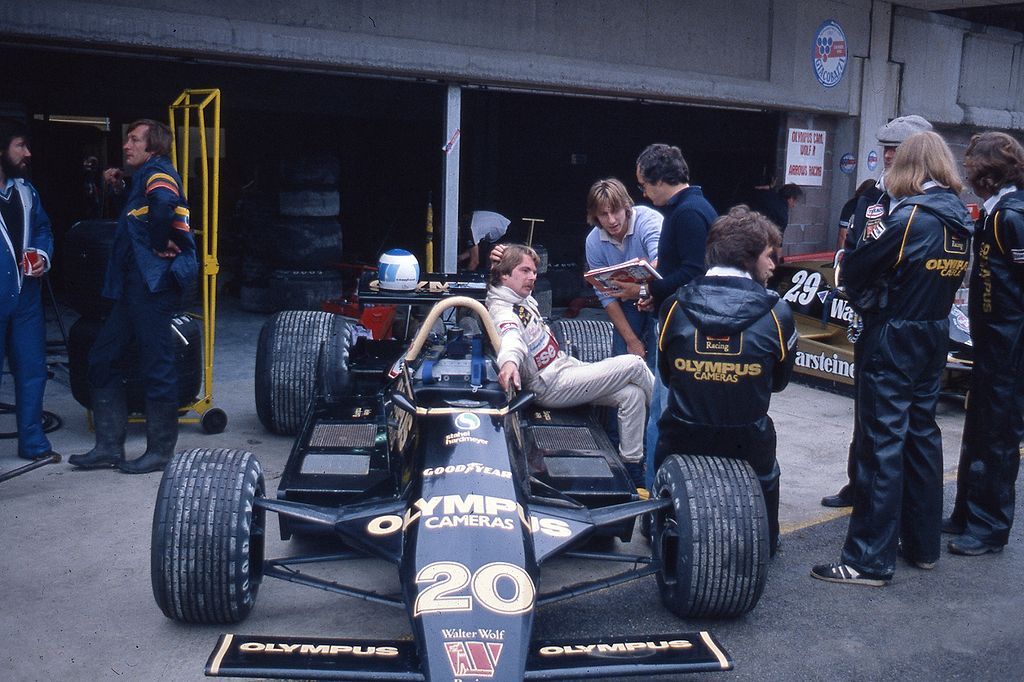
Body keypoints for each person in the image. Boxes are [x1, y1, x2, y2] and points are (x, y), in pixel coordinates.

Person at [812, 131, 972, 586]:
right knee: (922, 435)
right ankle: (922, 547)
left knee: (882, 443)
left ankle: (867, 560)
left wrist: (859, 279)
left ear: (910, 166)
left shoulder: (912, 218)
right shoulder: (960, 218)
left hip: (895, 332)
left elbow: (857, 267)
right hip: (934, 331)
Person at [655, 206, 796, 555]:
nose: (773, 265)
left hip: (684, 435)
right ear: (748, 258)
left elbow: (668, 375)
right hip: (747, 438)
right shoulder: (777, 312)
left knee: (665, 439)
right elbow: (779, 383)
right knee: (767, 468)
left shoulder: (673, 305)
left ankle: (658, 527)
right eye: (768, 255)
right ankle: (767, 542)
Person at [69, 119, 197, 474]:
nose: (126, 146)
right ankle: (109, 447)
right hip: (134, 287)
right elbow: (143, 207)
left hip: (153, 287)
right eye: (127, 139)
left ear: (153, 147)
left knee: (157, 365)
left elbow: (163, 203)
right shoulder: (144, 176)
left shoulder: (160, 173)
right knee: (102, 357)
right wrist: (120, 185)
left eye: (134, 140)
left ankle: (159, 452)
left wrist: (160, 242)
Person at [821, 113, 934, 508]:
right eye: (885, 148)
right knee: (866, 411)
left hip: (903, 319)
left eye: (895, 150)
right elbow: (854, 247)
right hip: (870, 314)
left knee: (901, 422)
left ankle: (888, 500)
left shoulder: (921, 205)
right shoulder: (873, 196)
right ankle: (859, 483)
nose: (887, 157)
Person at [486, 244, 654, 488]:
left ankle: (632, 468)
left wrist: (503, 254)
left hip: (564, 367)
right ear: (505, 275)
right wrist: (510, 363)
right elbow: (510, 337)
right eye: (525, 271)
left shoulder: (516, 294)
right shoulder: (503, 309)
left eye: (534, 271)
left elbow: (509, 262)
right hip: (549, 384)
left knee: (633, 395)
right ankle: (670, 422)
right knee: (635, 364)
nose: (532, 277)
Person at [943, 131, 1024, 556]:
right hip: (992, 341)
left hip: (1008, 347)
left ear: (987, 176)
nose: (968, 175)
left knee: (997, 436)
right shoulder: (997, 213)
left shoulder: (1013, 217)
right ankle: (966, 512)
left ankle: (990, 525)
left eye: (972, 168)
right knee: (977, 429)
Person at [635, 143, 717, 488]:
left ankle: (659, 490)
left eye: (643, 185)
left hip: (680, 327)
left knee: (664, 413)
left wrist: (653, 289)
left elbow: (695, 272)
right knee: (661, 409)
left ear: (658, 180)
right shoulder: (692, 208)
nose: (642, 192)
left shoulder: (687, 213)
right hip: (676, 320)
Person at [0, 118, 59, 462]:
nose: (28, 153)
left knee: (33, 370)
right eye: (20, 145)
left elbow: (43, 228)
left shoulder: (26, 190)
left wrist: (41, 254)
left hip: (26, 299)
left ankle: (33, 443)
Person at [583, 178, 662, 367]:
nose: (611, 220)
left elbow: (663, 261)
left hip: (659, 292)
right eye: (603, 214)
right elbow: (605, 295)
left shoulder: (648, 220)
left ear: (626, 206)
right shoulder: (593, 241)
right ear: (595, 217)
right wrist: (631, 341)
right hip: (625, 300)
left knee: (657, 361)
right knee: (622, 359)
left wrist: (644, 291)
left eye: (616, 211)